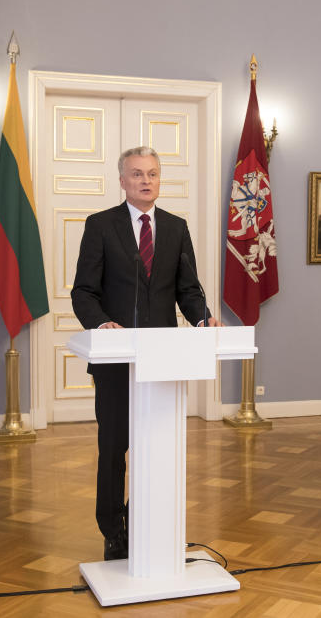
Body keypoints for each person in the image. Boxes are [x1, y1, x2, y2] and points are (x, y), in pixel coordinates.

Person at [71, 146, 221, 560]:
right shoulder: (101, 225)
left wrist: (203, 318)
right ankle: (112, 529)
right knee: (115, 444)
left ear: (159, 179)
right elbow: (83, 291)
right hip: (117, 358)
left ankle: (147, 521)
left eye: (152, 173)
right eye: (136, 174)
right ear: (122, 180)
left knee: (157, 443)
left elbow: (188, 289)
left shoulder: (176, 227)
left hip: (164, 358)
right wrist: (102, 324)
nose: (145, 180)